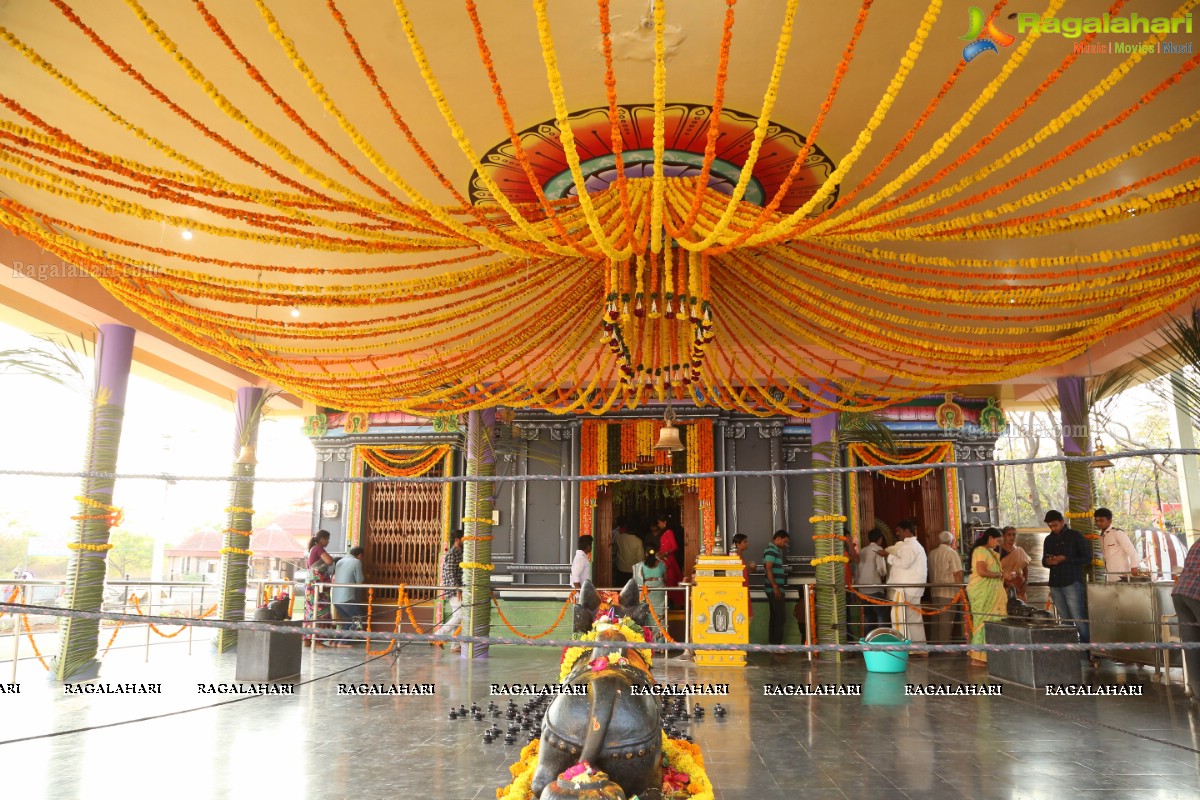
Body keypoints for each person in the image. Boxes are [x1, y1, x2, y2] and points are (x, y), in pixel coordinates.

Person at [1041, 509, 1092, 647]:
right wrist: (1048, 562)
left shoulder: (1075, 536)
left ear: (1063, 522)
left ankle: (1089, 651)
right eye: (1050, 526)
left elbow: (1087, 558)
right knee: (1064, 618)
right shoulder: (1049, 539)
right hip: (1055, 583)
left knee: (1078, 617)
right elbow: (1043, 561)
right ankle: (1070, 650)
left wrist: (1065, 559)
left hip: (1071, 582)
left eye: (1055, 525)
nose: (1053, 528)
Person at [967, 528, 1008, 665]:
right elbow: (982, 571)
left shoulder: (990, 552)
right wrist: (1001, 575)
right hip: (983, 593)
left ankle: (989, 656)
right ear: (990, 538)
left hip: (993, 593)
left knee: (993, 622)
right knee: (983, 623)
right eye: (997, 540)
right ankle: (978, 657)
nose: (997, 544)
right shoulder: (980, 551)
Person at [886, 519, 928, 653]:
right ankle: (919, 649)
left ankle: (903, 648)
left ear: (907, 531)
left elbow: (904, 563)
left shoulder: (909, 546)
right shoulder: (915, 546)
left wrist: (889, 556)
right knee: (913, 619)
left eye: (899, 531)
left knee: (900, 618)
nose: (897, 533)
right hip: (912, 588)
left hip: (906, 588)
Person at [1171, 536, 1200, 704]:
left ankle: (1197, 693)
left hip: (1181, 593)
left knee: (1192, 646)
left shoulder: (1197, 542)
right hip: (1196, 594)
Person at [927, 531, 963, 645]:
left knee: (936, 619)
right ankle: (945, 646)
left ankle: (934, 644)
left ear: (940, 540)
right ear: (951, 541)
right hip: (948, 592)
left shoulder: (932, 553)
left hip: (934, 591)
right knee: (946, 620)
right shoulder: (951, 553)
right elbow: (957, 573)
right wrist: (961, 590)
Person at [434, 530, 465, 652]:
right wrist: (457, 588)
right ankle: (438, 635)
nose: (465, 540)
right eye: (463, 538)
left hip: (458, 589)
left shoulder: (460, 552)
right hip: (454, 589)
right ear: (457, 540)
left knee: (458, 616)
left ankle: (455, 645)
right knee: (460, 615)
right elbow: (451, 574)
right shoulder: (452, 554)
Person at [303, 530, 335, 647]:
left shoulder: (313, 549)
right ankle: (315, 640)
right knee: (320, 610)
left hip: (312, 584)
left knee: (311, 610)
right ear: (321, 539)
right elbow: (329, 561)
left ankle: (308, 639)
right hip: (317, 584)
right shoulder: (318, 548)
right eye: (327, 539)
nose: (328, 541)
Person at [855, 529, 889, 635]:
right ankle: (882, 641)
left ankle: (869, 642)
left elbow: (857, 571)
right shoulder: (878, 549)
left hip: (862, 588)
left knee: (868, 617)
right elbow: (882, 570)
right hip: (875, 588)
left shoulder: (862, 551)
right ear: (880, 539)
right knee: (882, 616)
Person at [1095, 507, 1144, 581]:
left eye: (1101, 520)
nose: (1098, 523)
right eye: (1096, 520)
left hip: (1122, 577)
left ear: (1109, 521)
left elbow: (1132, 551)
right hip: (1110, 577)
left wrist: (1134, 567)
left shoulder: (1117, 533)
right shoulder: (1101, 537)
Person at [331, 546, 365, 648]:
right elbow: (360, 580)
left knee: (347, 622)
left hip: (336, 599)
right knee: (358, 620)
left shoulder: (340, 561)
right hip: (347, 597)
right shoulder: (356, 562)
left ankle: (334, 641)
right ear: (359, 555)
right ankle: (342, 642)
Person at [762, 530, 790, 645]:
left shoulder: (774, 551)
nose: (786, 544)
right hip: (774, 590)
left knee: (775, 617)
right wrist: (775, 587)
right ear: (778, 539)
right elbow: (768, 568)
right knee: (780, 617)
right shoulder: (770, 551)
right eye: (785, 541)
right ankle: (776, 645)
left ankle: (773, 644)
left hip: (774, 589)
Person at [634, 549, 667, 640]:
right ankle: (661, 644)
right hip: (660, 589)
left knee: (649, 615)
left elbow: (638, 581)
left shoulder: (640, 565)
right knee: (660, 615)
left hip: (647, 590)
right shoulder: (662, 564)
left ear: (645, 553)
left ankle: (650, 642)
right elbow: (666, 578)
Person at [999, 526, 1031, 601]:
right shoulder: (997, 551)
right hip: (1003, 588)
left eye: (1014, 535)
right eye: (1009, 535)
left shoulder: (1019, 551)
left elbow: (1025, 569)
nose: (1012, 537)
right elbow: (994, 570)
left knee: (1022, 611)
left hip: (1020, 589)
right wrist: (1008, 584)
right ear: (1004, 536)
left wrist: (1025, 583)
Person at [613, 517, 645, 587]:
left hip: (620, 569)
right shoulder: (638, 541)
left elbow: (614, 551)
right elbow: (640, 559)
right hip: (633, 571)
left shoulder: (619, 538)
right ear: (635, 530)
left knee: (621, 590)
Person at [656, 514, 683, 589]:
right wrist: (660, 552)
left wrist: (665, 553)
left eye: (659, 523)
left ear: (664, 522)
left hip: (669, 560)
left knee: (670, 581)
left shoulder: (669, 532)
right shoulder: (664, 532)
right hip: (663, 559)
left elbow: (675, 547)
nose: (658, 525)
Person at [732, 533, 754, 621]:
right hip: (739, 590)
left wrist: (751, 568)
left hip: (745, 588)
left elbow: (746, 572)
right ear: (738, 544)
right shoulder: (734, 557)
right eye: (745, 542)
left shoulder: (741, 557)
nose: (747, 543)